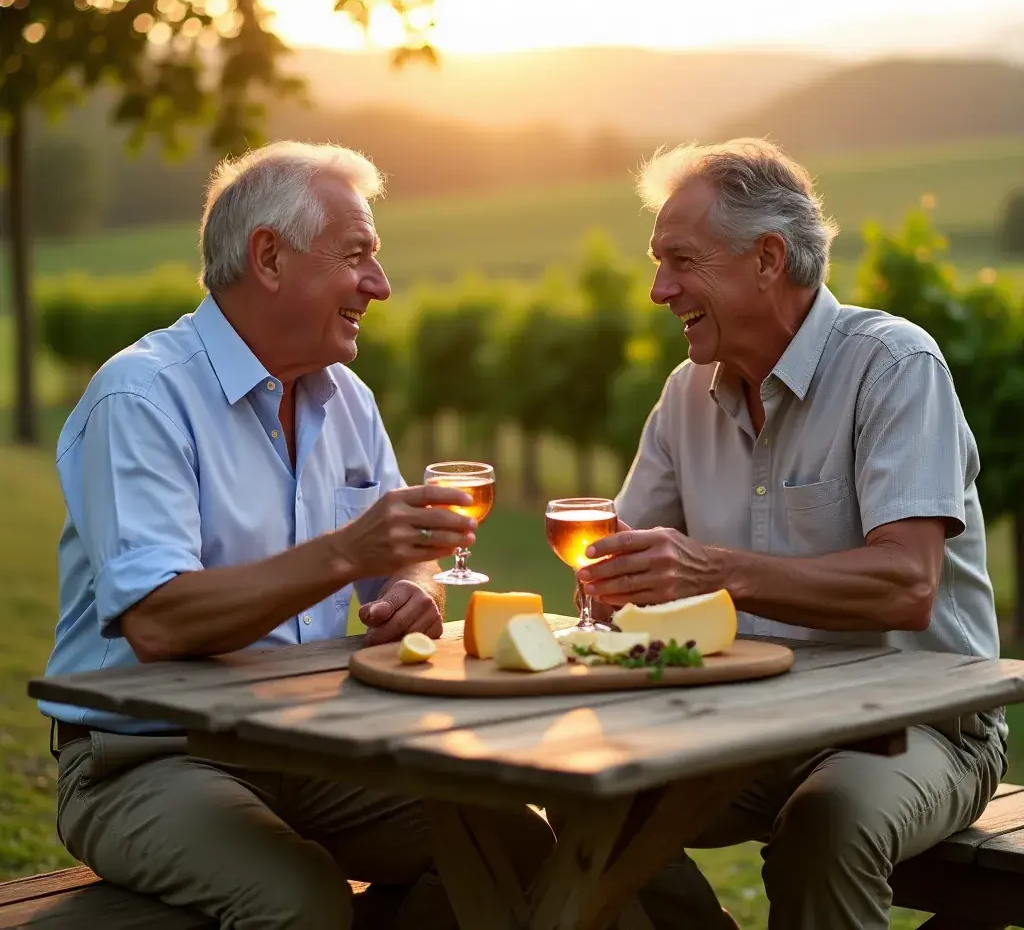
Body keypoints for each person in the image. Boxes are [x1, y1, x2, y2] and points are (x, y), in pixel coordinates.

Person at [39, 141, 552, 929]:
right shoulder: (141, 396)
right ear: (270, 257)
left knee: (516, 848)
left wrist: (411, 592)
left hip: (311, 745)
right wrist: (348, 552)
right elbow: (158, 621)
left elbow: (403, 560)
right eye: (357, 255)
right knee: (299, 901)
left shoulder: (347, 398)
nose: (379, 284)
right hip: (145, 756)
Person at [577, 138, 1007, 930]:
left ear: (768, 259)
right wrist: (614, 583)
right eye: (657, 263)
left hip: (916, 727)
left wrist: (711, 571)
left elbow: (907, 586)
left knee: (828, 824)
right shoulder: (684, 395)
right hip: (747, 723)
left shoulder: (894, 366)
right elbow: (623, 563)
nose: (658, 290)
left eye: (680, 262)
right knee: (591, 804)